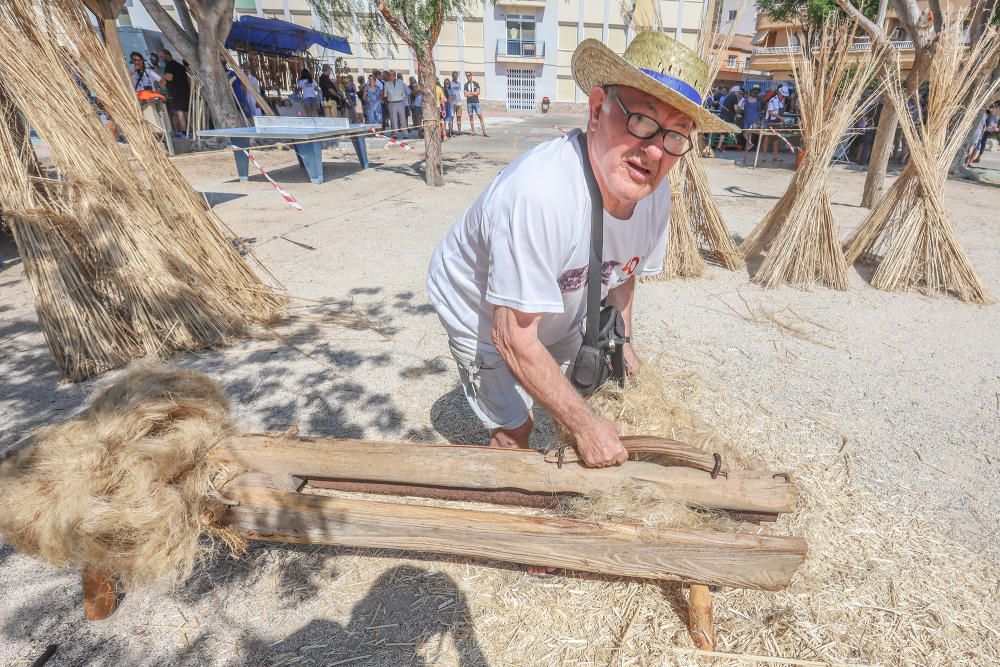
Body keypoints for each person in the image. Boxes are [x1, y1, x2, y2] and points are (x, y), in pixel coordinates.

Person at [425, 30, 738, 553]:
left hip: (565, 291)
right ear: (597, 110)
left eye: (676, 135)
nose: (655, 150)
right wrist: (584, 425)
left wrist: (625, 347)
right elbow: (513, 337)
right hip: (480, 310)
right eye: (641, 120)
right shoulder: (539, 193)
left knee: (596, 383)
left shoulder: (654, 194)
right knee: (517, 427)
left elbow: (624, 274)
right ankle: (520, 532)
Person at [159, 50, 189, 136]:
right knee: (185, 111)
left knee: (179, 112)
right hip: (184, 90)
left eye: (162, 56)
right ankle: (190, 131)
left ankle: (184, 132)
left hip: (176, 92)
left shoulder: (170, 65)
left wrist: (161, 75)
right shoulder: (179, 65)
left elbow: (169, 77)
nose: (161, 58)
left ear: (167, 55)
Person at [760, 84, 789, 162]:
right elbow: (770, 112)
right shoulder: (772, 100)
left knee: (776, 141)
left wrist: (781, 119)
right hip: (770, 121)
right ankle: (764, 157)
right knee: (767, 139)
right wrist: (780, 117)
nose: (784, 97)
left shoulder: (783, 101)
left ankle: (775, 157)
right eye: (783, 95)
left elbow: (781, 111)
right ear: (779, 93)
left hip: (777, 122)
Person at [384, 70, 408, 138]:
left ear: (395, 75)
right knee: (393, 119)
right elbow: (385, 96)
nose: (391, 76)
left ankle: (405, 134)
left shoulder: (400, 82)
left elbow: (404, 93)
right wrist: (387, 104)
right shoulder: (386, 84)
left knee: (402, 119)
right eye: (390, 75)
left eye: (392, 75)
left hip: (400, 102)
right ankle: (395, 134)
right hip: (392, 103)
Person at [715, 85, 741, 149]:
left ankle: (719, 146)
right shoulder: (734, 97)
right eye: (739, 92)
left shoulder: (728, 96)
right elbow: (735, 108)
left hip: (723, 115)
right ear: (735, 92)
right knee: (725, 132)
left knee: (724, 132)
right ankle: (719, 146)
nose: (739, 94)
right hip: (728, 117)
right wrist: (738, 110)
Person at [463, 72, 488, 136]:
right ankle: (473, 131)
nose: (468, 77)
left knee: (480, 116)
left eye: (469, 75)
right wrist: (473, 93)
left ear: (471, 76)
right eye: (467, 76)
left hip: (476, 102)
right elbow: (465, 94)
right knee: (471, 117)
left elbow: (478, 93)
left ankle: (484, 132)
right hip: (469, 103)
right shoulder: (465, 85)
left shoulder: (476, 83)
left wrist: (470, 93)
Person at [739, 86, 761, 153]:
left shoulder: (745, 100)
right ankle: (748, 146)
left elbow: (740, 108)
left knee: (745, 133)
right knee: (750, 133)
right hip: (756, 119)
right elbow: (759, 109)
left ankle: (750, 144)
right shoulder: (757, 101)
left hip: (748, 118)